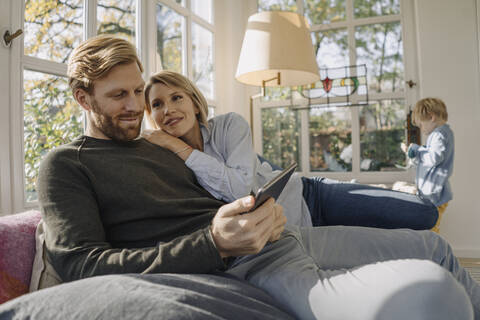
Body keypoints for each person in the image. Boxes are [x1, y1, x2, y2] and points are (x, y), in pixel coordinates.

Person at [37, 35, 479, 320]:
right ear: (83, 98)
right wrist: (215, 242)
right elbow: (82, 265)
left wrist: (259, 213)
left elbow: (222, 190)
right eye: (120, 95)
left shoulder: (158, 144)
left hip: (282, 236)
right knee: (431, 294)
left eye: (138, 92)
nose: (136, 106)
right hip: (242, 262)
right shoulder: (66, 164)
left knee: (434, 247)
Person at [142, 70, 438, 230]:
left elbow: (241, 192)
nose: (168, 109)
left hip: (310, 197)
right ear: (150, 115)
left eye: (176, 98)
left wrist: (175, 144)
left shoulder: (229, 125)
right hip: (286, 228)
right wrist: (172, 149)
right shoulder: (163, 162)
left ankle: (354, 188)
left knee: (423, 214)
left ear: (194, 103)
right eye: (157, 104)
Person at [402, 97, 454, 233]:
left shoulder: (439, 134)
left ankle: (434, 253)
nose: (421, 129)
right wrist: (414, 152)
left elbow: (433, 158)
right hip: (432, 192)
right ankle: (432, 252)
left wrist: (417, 150)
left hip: (435, 194)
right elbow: (430, 158)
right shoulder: (441, 134)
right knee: (430, 229)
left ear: (431, 117)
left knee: (431, 230)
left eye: (421, 125)